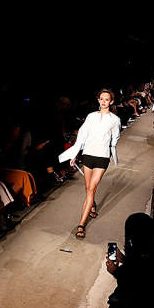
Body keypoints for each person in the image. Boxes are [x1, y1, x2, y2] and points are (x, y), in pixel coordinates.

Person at [58, 88, 121, 239]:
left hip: (102, 156)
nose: (104, 101)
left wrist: (109, 150)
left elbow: (116, 138)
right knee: (88, 188)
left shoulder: (115, 120)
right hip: (88, 154)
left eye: (107, 99)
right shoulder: (91, 117)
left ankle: (81, 224)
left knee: (92, 188)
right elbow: (81, 137)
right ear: (98, 100)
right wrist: (74, 154)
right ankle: (92, 203)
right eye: (101, 99)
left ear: (111, 101)